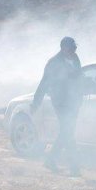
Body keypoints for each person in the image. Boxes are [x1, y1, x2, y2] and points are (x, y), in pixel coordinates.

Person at [31, 36, 83, 176]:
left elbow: (78, 77)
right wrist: (36, 103)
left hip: (74, 101)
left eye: (75, 47)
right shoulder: (53, 63)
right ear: (64, 48)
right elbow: (44, 83)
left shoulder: (76, 58)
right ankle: (74, 167)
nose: (74, 50)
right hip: (60, 102)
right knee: (68, 131)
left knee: (66, 131)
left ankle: (51, 159)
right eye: (72, 47)